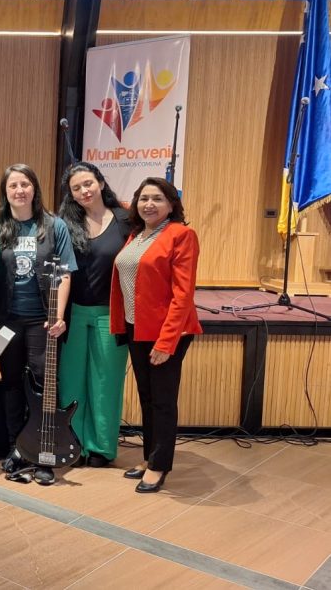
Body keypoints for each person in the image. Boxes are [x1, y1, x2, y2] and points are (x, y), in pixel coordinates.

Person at [0, 163, 77, 486]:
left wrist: (58, 316)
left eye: (25, 184)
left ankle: (44, 451)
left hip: (42, 321)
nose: (19, 190)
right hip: (6, 321)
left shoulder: (54, 227)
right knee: (10, 384)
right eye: (13, 186)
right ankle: (17, 448)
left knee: (43, 385)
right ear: (5, 192)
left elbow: (64, 274)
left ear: (34, 188)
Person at [110, 176, 201, 493]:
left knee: (162, 400)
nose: (149, 204)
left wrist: (167, 342)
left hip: (167, 331)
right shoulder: (136, 235)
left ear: (172, 204)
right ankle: (150, 456)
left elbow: (183, 295)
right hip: (137, 327)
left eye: (158, 199)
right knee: (147, 397)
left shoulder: (181, 235)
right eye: (144, 198)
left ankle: (160, 465)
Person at [57, 162, 131, 468]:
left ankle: (101, 447)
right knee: (71, 380)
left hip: (110, 315)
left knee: (106, 382)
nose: (84, 191)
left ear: (100, 182)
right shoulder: (64, 224)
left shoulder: (127, 220)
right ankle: (73, 444)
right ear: (71, 195)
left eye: (88, 183)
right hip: (73, 313)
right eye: (76, 188)